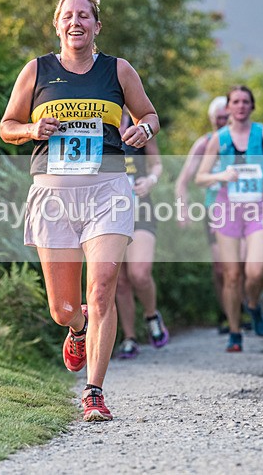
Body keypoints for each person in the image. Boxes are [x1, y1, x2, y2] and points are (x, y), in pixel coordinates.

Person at [0, 0, 160, 421]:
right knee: (63, 308)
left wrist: (143, 131)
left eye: (84, 15)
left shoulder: (118, 71)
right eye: (68, 15)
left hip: (107, 188)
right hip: (53, 194)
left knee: (104, 284)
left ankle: (93, 392)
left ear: (96, 25)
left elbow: (149, 115)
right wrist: (32, 131)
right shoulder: (36, 71)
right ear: (57, 24)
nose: (76, 22)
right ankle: (76, 326)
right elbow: (7, 126)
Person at [194, 85, 263, 352]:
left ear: (252, 106)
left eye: (246, 101)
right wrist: (221, 176)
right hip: (226, 208)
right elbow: (200, 177)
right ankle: (234, 332)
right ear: (228, 107)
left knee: (254, 272)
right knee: (231, 274)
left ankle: (253, 306)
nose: (241, 106)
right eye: (236, 102)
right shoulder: (218, 140)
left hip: (258, 206)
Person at [114, 107, 168, 359]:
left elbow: (156, 164)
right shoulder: (97, 123)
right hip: (109, 212)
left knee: (139, 273)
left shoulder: (141, 125)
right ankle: (129, 337)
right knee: (121, 281)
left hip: (141, 209)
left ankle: (151, 315)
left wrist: (150, 181)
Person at [174, 96, 230, 331]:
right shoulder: (204, 144)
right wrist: (181, 209)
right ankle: (227, 313)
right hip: (215, 209)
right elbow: (182, 181)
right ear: (211, 119)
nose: (222, 122)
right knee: (220, 267)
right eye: (218, 118)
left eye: (226, 117)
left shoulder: (246, 141)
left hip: (245, 210)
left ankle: (245, 306)